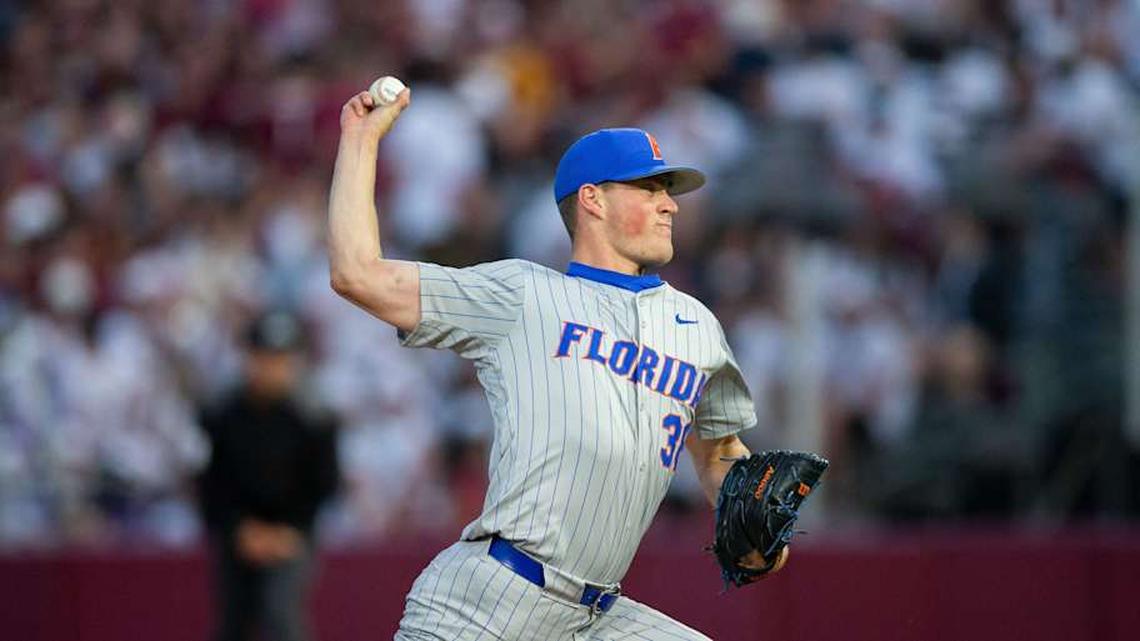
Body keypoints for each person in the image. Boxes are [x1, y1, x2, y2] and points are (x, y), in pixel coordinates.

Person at [328, 87, 787, 640]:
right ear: (592, 199)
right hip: (488, 602)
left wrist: (758, 523)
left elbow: (719, 450)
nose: (670, 203)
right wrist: (360, 141)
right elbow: (357, 273)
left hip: (595, 616)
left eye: (668, 189)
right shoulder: (521, 294)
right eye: (649, 187)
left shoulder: (698, 327)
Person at [196, 312, 340, 641]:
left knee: (281, 612)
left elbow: (324, 484)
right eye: (263, 357)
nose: (270, 367)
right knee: (233, 620)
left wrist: (287, 531)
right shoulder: (222, 413)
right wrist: (239, 529)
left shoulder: (314, 417)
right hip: (238, 533)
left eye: (280, 358)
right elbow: (210, 482)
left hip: (293, 533)